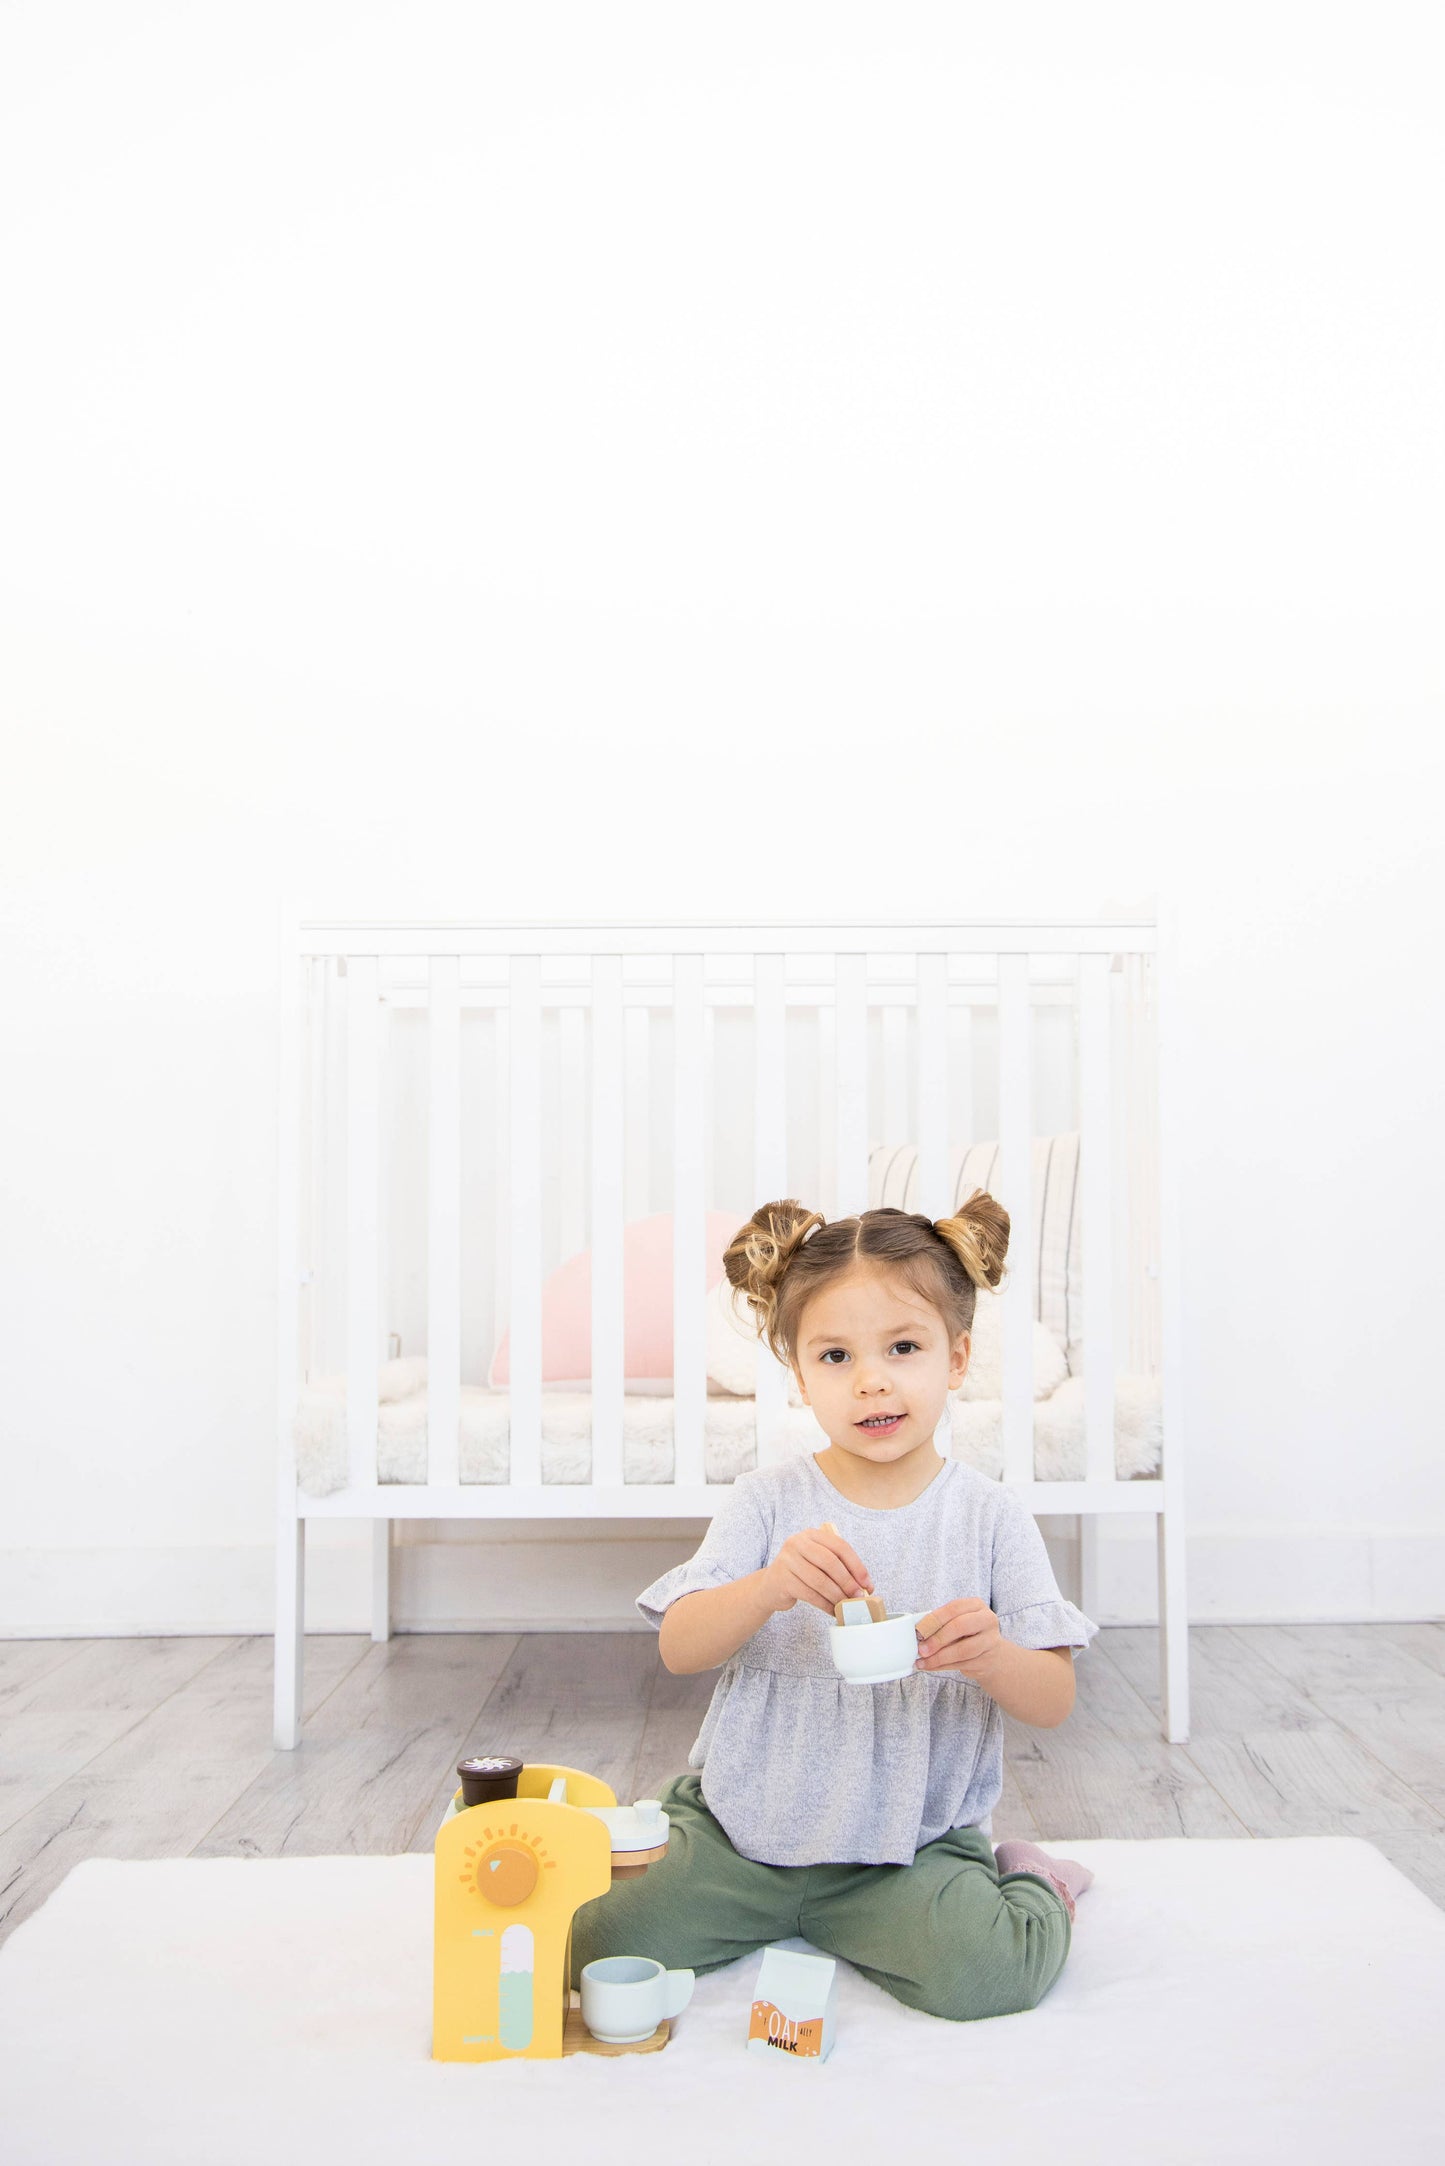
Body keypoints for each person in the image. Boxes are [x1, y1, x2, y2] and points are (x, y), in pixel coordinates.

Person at [569, 1191, 1099, 2022]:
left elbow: (1054, 1699)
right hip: (741, 1840)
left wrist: (991, 1655)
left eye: (902, 1346)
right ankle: (707, 1867)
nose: (873, 1379)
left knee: (989, 1975)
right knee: (589, 1945)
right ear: (797, 1374)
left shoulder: (988, 1517)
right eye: (835, 1356)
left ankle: (1034, 1877)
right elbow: (680, 1646)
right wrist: (769, 1587)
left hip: (908, 1852)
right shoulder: (766, 1502)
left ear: (955, 1360)